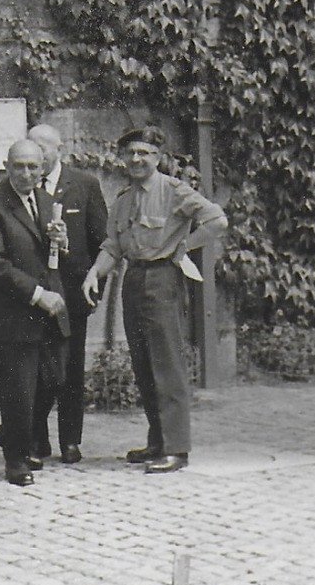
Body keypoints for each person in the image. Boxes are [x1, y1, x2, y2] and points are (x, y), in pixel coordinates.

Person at [81, 125, 227, 475]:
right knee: (144, 365)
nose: (136, 159)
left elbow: (216, 220)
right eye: (131, 153)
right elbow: (113, 246)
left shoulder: (174, 191)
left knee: (167, 365)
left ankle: (177, 449)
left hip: (163, 279)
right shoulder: (123, 200)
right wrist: (93, 273)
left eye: (144, 153)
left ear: (158, 158)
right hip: (134, 278)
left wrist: (184, 246)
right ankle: (157, 442)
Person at [0, 139, 70, 487]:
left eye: (33, 166)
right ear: (6, 166)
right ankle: (16, 460)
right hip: (10, 316)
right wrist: (38, 294)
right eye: (19, 166)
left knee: (54, 380)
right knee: (19, 391)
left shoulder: (46, 202)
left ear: (43, 167)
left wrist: (61, 240)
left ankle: (11, 432)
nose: (27, 173)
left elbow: (49, 254)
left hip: (48, 312)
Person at [26, 123, 108, 465]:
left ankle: (70, 440)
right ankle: (37, 439)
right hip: (36, 293)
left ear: (58, 149)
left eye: (42, 150)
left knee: (71, 369)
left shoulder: (84, 185)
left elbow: (101, 241)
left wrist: (92, 289)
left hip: (72, 293)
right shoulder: (25, 186)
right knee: (39, 368)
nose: (37, 157)